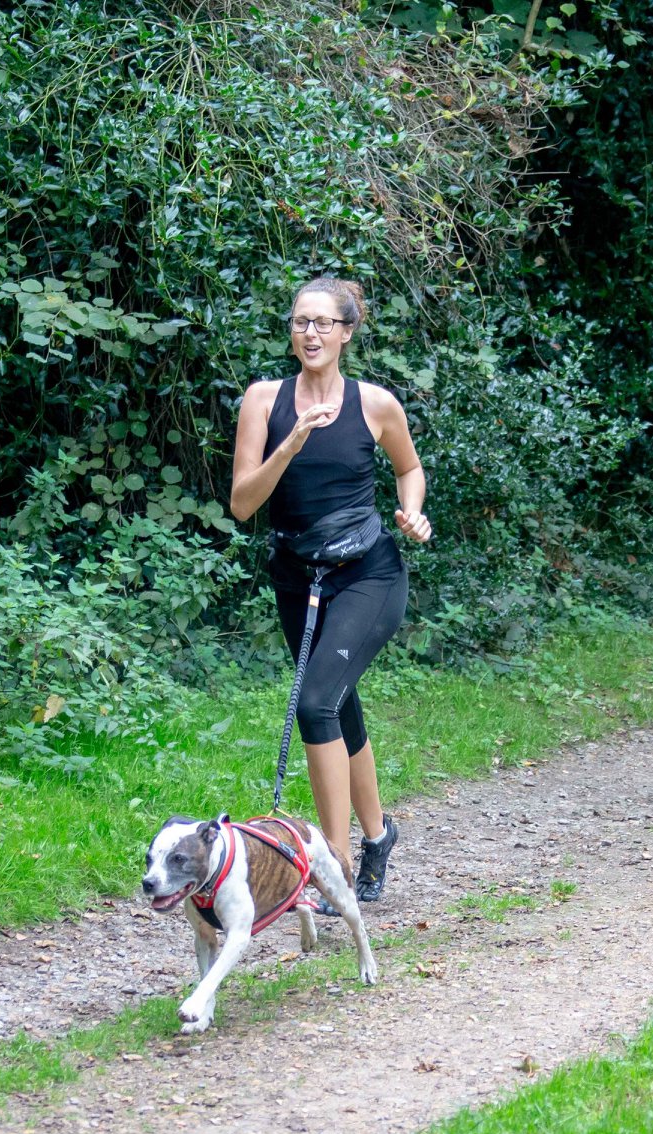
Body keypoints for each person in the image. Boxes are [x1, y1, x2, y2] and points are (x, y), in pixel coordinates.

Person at [229, 276, 432, 905]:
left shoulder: (376, 405)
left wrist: (411, 512)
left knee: (316, 703)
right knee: (340, 708)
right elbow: (242, 505)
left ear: (347, 332)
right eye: (299, 322)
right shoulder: (263, 401)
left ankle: (335, 866)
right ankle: (378, 835)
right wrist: (292, 441)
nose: (310, 333)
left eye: (323, 323)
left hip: (369, 572)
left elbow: (410, 468)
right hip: (298, 576)